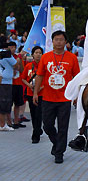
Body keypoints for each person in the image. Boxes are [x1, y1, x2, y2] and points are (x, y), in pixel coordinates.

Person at [33, 29, 79, 164]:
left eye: (61, 39)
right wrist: (36, 93)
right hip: (47, 98)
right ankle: (56, 142)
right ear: (52, 41)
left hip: (65, 98)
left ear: (65, 42)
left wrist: (76, 95)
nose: (59, 42)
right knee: (47, 125)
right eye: (56, 39)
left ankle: (59, 152)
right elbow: (40, 76)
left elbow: (77, 78)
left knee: (63, 127)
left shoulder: (72, 58)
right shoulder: (46, 57)